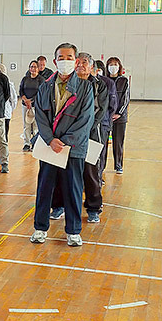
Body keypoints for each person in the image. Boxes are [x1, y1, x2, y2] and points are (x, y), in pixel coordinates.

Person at [29, 43, 94, 247]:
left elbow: (85, 120)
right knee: (44, 188)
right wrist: (50, 140)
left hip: (73, 149)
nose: (65, 61)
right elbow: (40, 116)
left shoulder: (85, 88)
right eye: (61, 58)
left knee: (73, 189)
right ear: (55, 61)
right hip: (49, 148)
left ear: (76, 61)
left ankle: (73, 231)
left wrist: (64, 142)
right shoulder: (45, 86)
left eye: (69, 57)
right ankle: (40, 228)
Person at [50, 53, 109, 224]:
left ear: (91, 67)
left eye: (85, 62)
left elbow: (100, 110)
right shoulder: (67, 82)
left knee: (91, 172)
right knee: (61, 170)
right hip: (66, 135)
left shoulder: (99, 85)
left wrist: (82, 129)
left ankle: (93, 208)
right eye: (79, 62)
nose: (81, 65)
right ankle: (59, 206)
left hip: (90, 134)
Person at [105, 56, 130, 174]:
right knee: (103, 142)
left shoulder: (124, 81)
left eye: (115, 64)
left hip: (120, 118)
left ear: (119, 67)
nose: (113, 67)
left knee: (118, 142)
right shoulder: (104, 80)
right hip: (106, 117)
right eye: (111, 64)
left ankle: (118, 165)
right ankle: (101, 166)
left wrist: (119, 113)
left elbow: (126, 99)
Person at [94, 59, 117, 178]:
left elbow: (112, 105)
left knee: (101, 149)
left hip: (103, 122)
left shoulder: (107, 83)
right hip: (90, 123)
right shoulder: (84, 82)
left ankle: (98, 176)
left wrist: (107, 117)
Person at [19, 60, 44, 152]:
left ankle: (35, 143)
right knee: (26, 125)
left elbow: (41, 92)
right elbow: (21, 90)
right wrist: (25, 99)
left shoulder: (41, 80)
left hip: (36, 105)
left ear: (38, 68)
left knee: (36, 125)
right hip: (25, 105)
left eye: (35, 67)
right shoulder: (25, 79)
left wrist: (31, 101)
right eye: (31, 67)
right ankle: (26, 143)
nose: (33, 69)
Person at [0, 63, 17, 151]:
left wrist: (11, 109)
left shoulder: (9, 84)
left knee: (4, 135)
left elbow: (13, 99)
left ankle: (4, 152)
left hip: (5, 113)